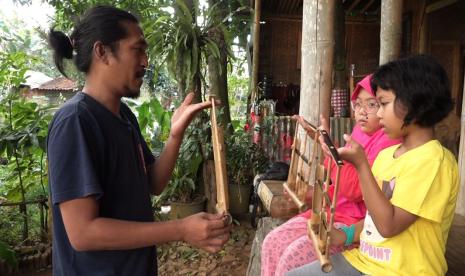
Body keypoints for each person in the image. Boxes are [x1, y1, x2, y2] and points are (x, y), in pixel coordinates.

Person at [47, 6, 230, 276]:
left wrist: (175, 134)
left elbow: (153, 183)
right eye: (138, 49)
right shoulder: (75, 122)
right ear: (102, 52)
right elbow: (83, 233)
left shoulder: (124, 115)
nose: (146, 61)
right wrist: (180, 229)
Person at [287, 55, 459, 276]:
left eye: (383, 104)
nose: (378, 113)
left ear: (416, 104)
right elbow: (373, 219)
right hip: (365, 262)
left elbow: (389, 225)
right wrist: (345, 235)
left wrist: (361, 166)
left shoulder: (433, 161)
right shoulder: (388, 155)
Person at [261, 74, 401, 276]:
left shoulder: (388, 142)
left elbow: (354, 190)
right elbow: (341, 180)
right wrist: (315, 192)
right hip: (332, 212)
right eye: (358, 104)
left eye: (372, 104)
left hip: (354, 226)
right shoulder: (359, 132)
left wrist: (328, 148)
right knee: (272, 243)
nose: (362, 111)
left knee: (290, 260)